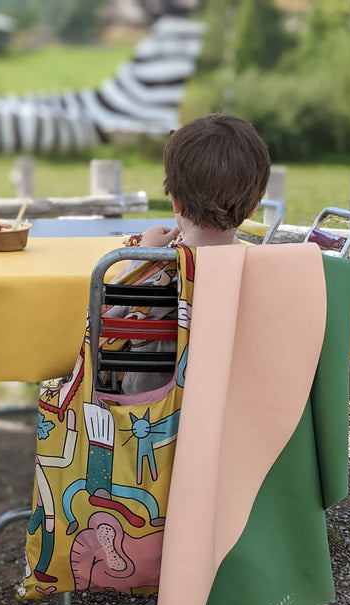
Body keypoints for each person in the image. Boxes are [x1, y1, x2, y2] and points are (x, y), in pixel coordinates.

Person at [105, 113, 272, 394]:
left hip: (150, 409)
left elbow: (105, 319)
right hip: (233, 406)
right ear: (252, 209)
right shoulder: (265, 274)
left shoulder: (156, 272)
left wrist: (141, 258)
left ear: (176, 203)